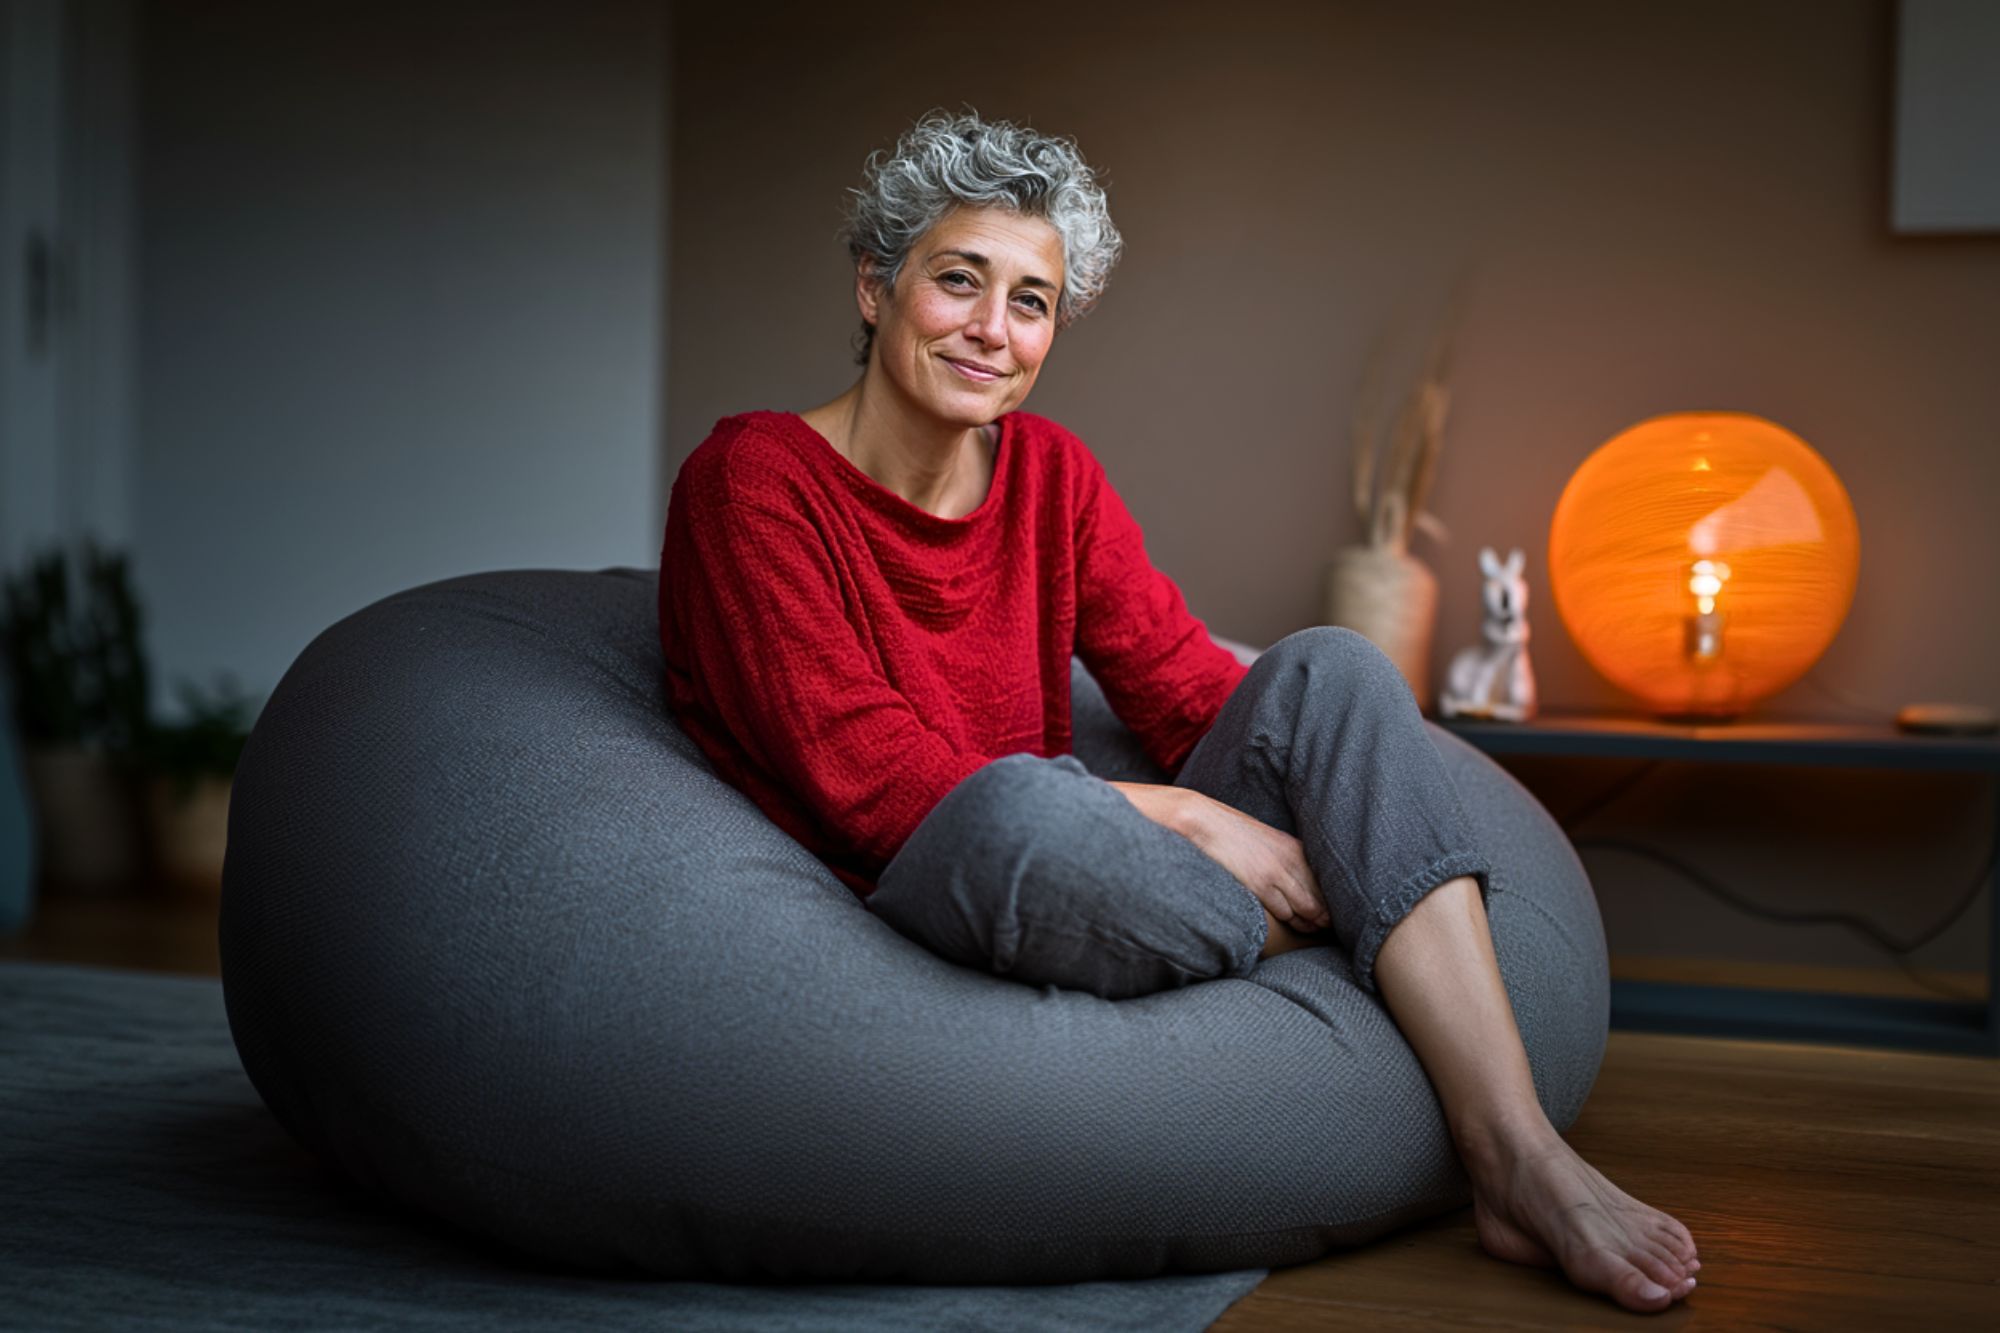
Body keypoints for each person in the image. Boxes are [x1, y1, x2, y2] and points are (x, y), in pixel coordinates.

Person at [658, 109, 1699, 1314]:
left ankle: (1517, 1156)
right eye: (957, 282)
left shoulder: (1048, 473)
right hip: (959, 863)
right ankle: (1391, 936)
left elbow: (1185, 686)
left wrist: (1260, 789)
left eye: (1032, 301)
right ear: (876, 285)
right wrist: (1192, 823)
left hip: (1100, 848)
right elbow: (869, 775)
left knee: (1333, 669)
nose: (992, 331)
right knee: (1018, 816)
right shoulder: (751, 481)